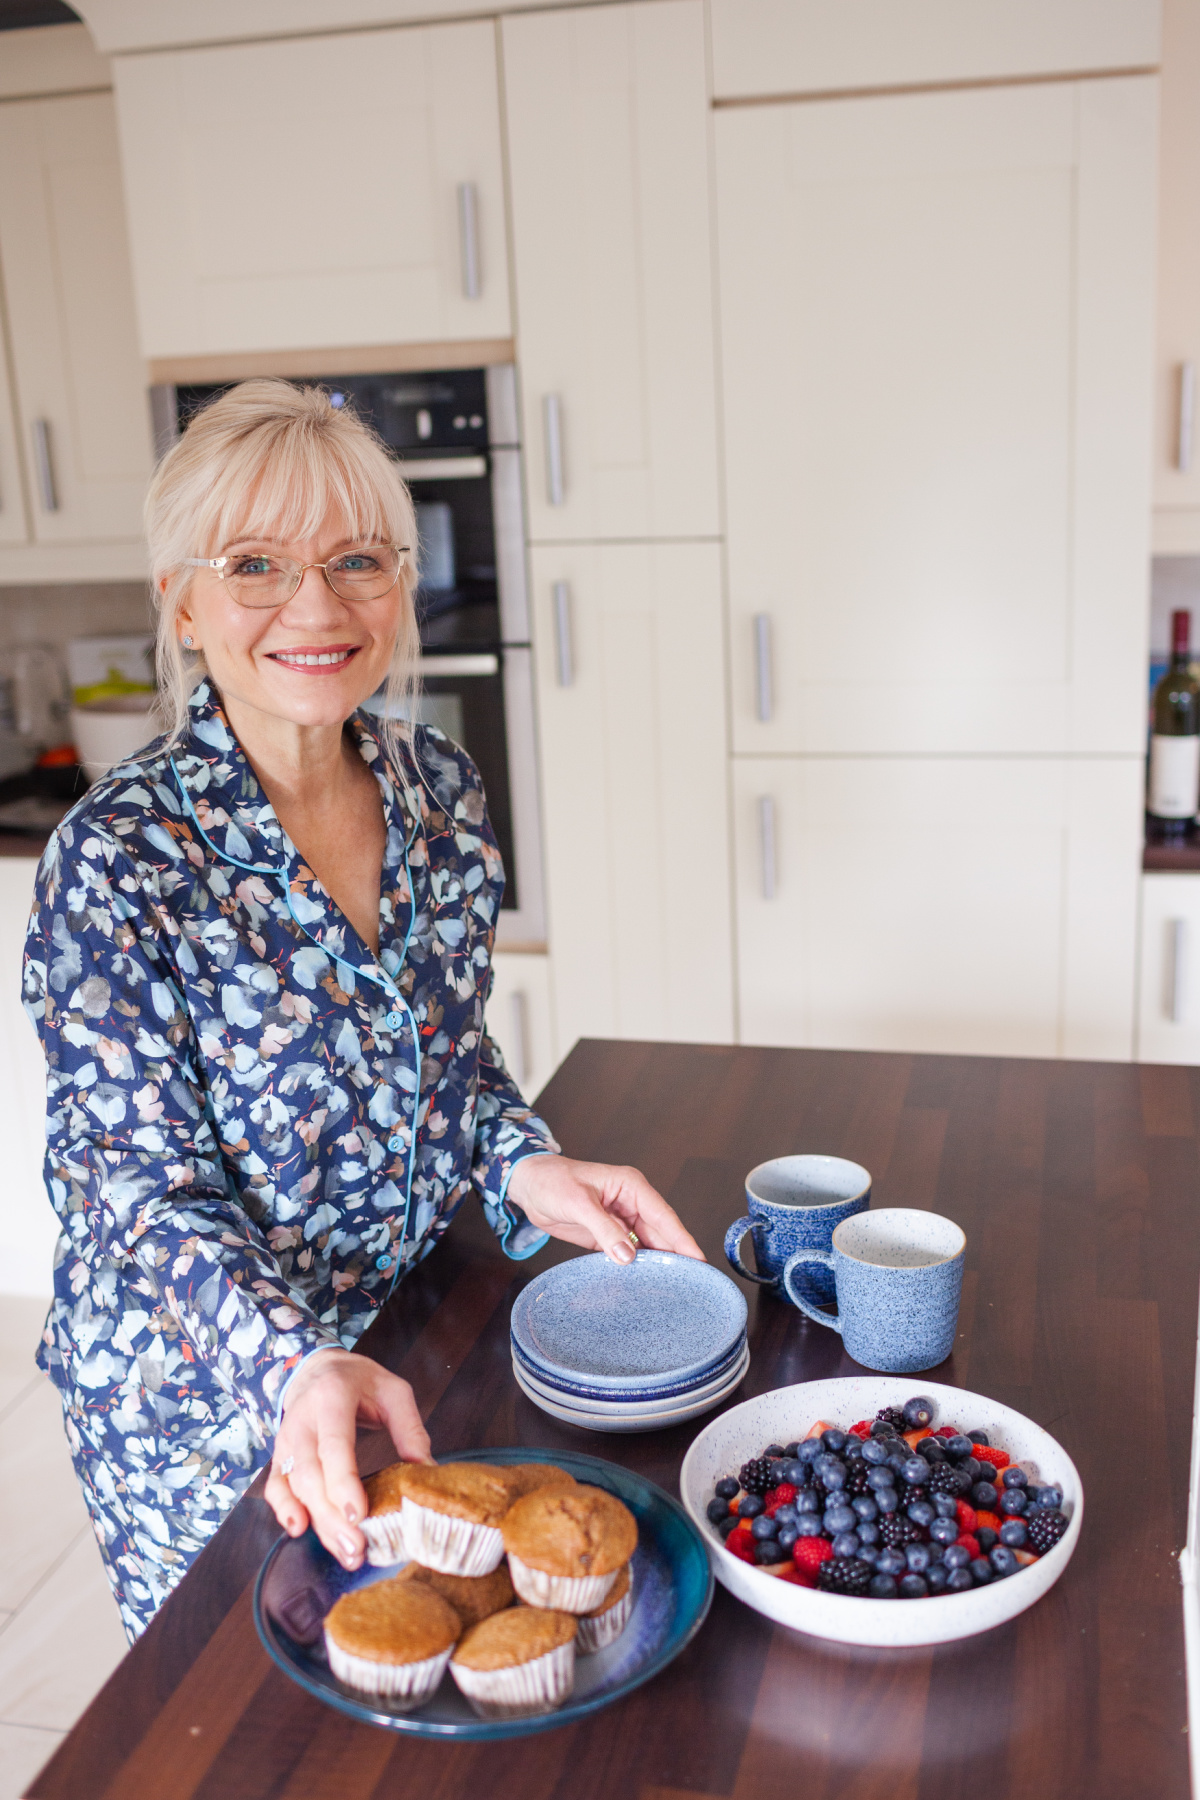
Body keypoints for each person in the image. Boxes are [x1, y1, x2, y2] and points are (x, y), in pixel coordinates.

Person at [22, 379, 702, 1641]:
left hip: (405, 1333)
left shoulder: (438, 787)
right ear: (182, 598)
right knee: (252, 1731)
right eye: (257, 565)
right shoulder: (119, 860)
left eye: (356, 561)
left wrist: (526, 1165)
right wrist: (293, 1361)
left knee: (437, 1659)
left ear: (401, 578)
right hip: (210, 1399)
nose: (318, 607)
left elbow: (445, 1062)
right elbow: (132, 1193)